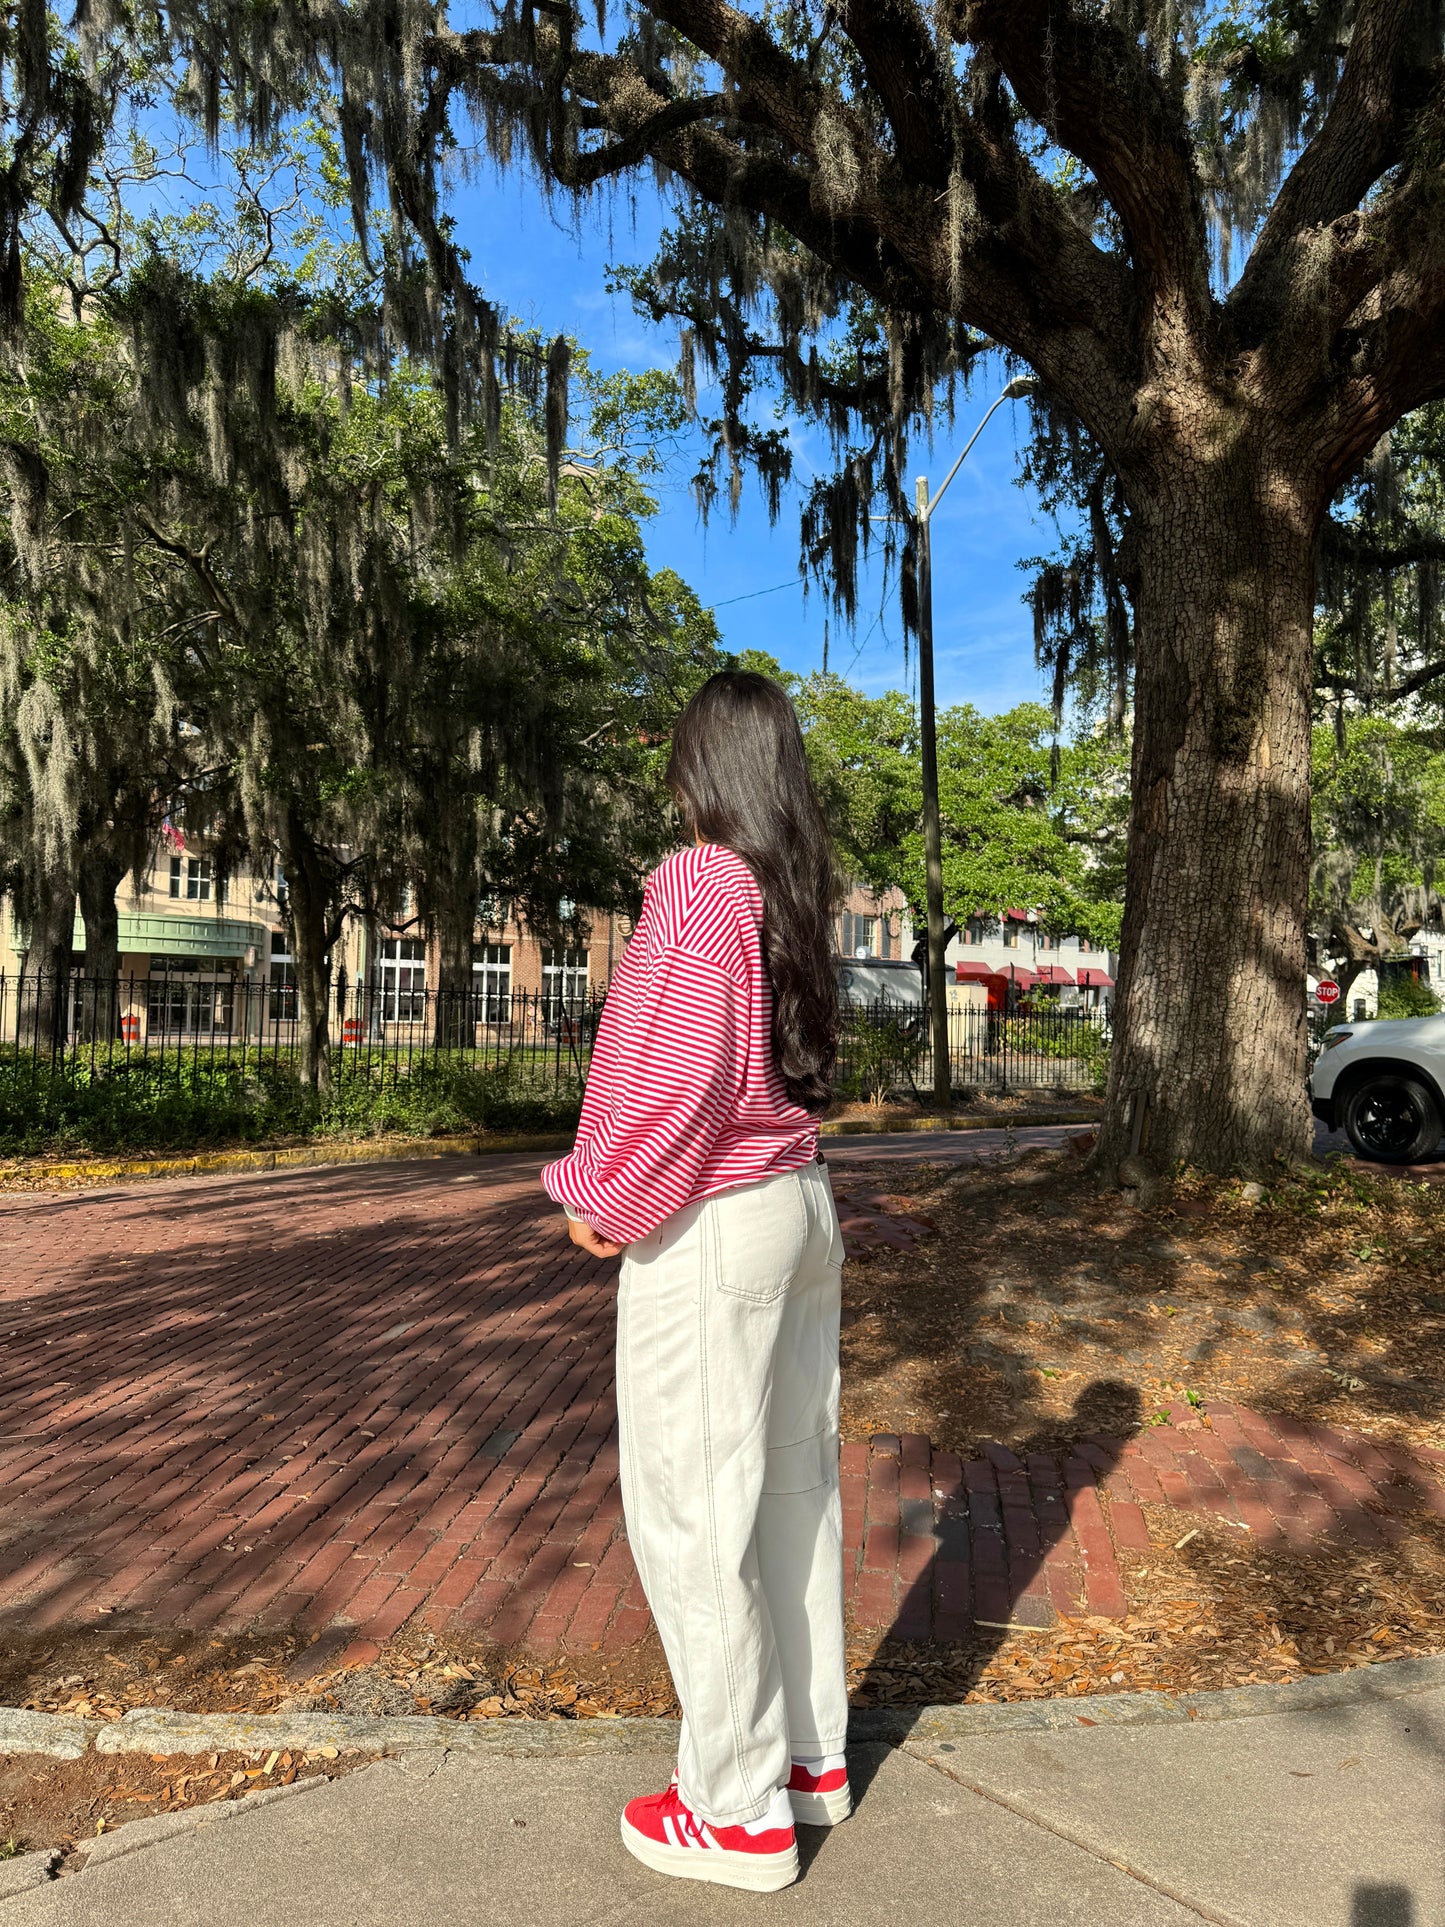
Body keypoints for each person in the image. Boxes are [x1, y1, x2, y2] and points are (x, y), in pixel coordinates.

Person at [541, 670, 848, 1894]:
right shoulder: (786, 890)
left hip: (717, 1219)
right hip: (797, 1206)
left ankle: (732, 1807)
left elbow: (678, 1077)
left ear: (702, 767)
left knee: (691, 1507)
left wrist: (605, 1195)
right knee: (788, 1492)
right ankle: (806, 1758)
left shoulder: (695, 880)